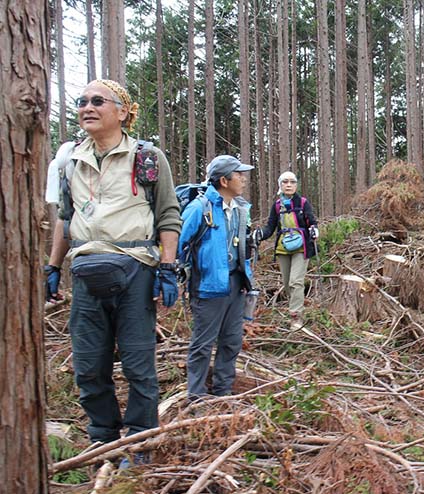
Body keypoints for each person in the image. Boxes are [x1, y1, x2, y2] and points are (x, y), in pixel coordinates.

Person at [44, 79, 182, 454]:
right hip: (85, 273)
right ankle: (102, 439)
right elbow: (66, 218)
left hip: (136, 270)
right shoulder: (69, 161)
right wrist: (53, 267)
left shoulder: (147, 158)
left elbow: (169, 215)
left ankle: (139, 444)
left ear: (122, 112)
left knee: (138, 366)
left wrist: (167, 268)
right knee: (88, 366)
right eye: (81, 101)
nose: (87, 107)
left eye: (97, 101)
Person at [179, 155, 255, 399]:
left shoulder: (240, 209)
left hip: (236, 283)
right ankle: (196, 396)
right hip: (208, 286)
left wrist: (247, 280)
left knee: (231, 342)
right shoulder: (199, 208)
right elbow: (178, 243)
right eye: (238, 174)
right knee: (203, 344)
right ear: (224, 180)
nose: (243, 179)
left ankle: (223, 394)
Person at [260, 171, 319, 330]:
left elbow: (312, 221)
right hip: (283, 247)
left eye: (292, 182)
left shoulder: (303, 203)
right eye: (285, 182)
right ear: (280, 185)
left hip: (301, 246)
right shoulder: (277, 205)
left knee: (295, 281)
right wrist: (260, 235)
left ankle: (296, 316)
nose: (289, 185)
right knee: (287, 284)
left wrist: (314, 229)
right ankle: (296, 307)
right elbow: (270, 227)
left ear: (296, 185)